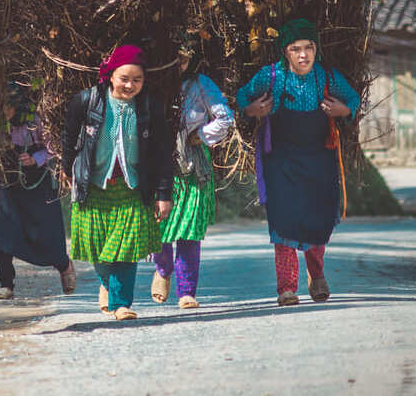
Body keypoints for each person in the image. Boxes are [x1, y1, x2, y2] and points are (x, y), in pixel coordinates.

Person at [236, 19, 360, 306]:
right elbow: (242, 96)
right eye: (295, 49)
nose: (303, 55)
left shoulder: (326, 77)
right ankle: (287, 288)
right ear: (285, 52)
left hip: (319, 161)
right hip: (280, 162)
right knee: (283, 222)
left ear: (316, 49)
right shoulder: (271, 77)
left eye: (309, 48)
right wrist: (251, 109)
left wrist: (343, 110)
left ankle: (317, 275)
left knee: (317, 219)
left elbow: (353, 98)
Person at [62, 44, 174, 320]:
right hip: (94, 187)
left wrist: (164, 194)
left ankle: (122, 304)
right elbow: (69, 138)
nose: (130, 85)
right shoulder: (87, 101)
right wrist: (67, 170)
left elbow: (162, 152)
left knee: (126, 249)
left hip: (132, 187)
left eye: (137, 79)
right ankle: (108, 286)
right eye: (124, 78)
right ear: (110, 75)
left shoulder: (149, 107)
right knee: (98, 250)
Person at [151, 51, 235, 309]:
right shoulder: (151, 81)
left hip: (192, 168)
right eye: (173, 55)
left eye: (184, 58)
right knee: (157, 226)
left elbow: (225, 118)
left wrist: (202, 134)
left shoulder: (201, 85)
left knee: (189, 231)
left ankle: (186, 291)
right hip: (157, 163)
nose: (177, 63)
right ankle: (163, 268)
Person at [0, 84, 77, 300]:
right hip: (6, 181)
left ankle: (64, 265)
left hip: (36, 183)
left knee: (45, 232)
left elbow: (53, 148)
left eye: (8, 107)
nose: (4, 112)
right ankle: (6, 284)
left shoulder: (35, 121)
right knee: (1, 231)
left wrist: (35, 159)